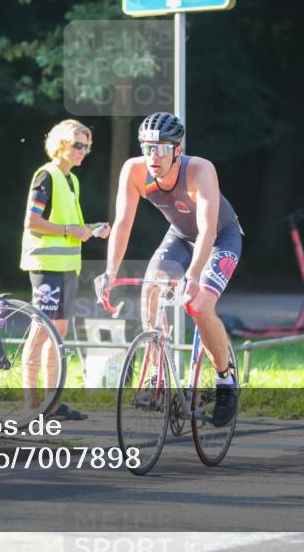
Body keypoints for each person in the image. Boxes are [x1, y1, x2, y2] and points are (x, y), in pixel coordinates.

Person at [97, 112, 242, 427]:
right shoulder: (134, 171)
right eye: (147, 148)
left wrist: (193, 274)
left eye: (161, 149)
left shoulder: (200, 170)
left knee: (200, 307)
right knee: (150, 288)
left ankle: (225, 381)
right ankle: (156, 371)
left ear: (177, 150)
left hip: (220, 238)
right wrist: (110, 272)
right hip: (179, 237)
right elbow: (122, 224)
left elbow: (207, 231)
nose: (153, 156)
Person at [20, 119, 110, 421]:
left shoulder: (71, 180)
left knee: (58, 333)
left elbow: (70, 227)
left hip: (66, 267)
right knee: (42, 331)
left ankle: (52, 403)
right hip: (46, 265)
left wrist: (91, 229)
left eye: (87, 146)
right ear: (60, 144)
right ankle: (33, 404)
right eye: (77, 145)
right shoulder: (46, 176)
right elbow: (32, 222)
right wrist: (72, 229)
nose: (83, 151)